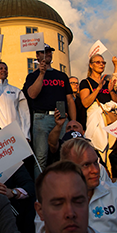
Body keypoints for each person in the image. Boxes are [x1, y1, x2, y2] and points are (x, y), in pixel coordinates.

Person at [37, 138, 117, 233]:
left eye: (95, 163)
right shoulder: (50, 200)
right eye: (86, 165)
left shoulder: (116, 192)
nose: (95, 170)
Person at [23, 44, 76, 177]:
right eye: (43, 52)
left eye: (49, 52)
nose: (47, 54)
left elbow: (70, 100)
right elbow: (32, 94)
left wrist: (73, 122)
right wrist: (41, 74)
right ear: (37, 56)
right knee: (41, 157)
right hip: (41, 118)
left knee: (68, 154)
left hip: (62, 118)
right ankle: (39, 193)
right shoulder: (32, 76)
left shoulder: (62, 76)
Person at [80, 54, 117, 157]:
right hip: (96, 120)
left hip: (109, 120)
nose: (101, 64)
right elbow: (85, 103)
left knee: (113, 152)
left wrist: (111, 91)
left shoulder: (107, 82)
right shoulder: (86, 82)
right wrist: (98, 89)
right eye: (98, 62)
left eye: (103, 62)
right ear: (91, 65)